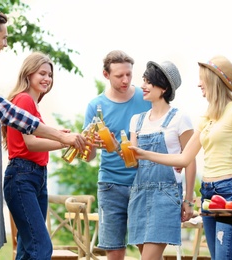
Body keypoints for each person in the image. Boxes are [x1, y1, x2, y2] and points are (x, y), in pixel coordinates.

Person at [0, 9, 87, 259]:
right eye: (4, 38)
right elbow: (8, 114)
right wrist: (61, 138)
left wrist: (59, 135)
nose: (5, 44)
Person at [129, 55, 232, 260]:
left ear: (214, 80)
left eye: (202, 79)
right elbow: (184, 158)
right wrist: (143, 153)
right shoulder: (206, 117)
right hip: (208, 193)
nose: (199, 84)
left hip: (230, 191)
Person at [83, 50, 151, 260]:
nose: (125, 80)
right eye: (119, 75)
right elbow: (88, 157)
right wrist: (93, 145)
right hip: (110, 184)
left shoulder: (145, 97)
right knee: (114, 249)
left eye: (129, 74)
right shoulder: (96, 106)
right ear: (106, 74)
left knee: (146, 246)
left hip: (143, 182)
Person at [127, 61, 197, 260]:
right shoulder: (136, 120)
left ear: (164, 88)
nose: (143, 85)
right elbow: (133, 161)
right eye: (144, 80)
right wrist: (114, 146)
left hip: (165, 196)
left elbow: (190, 160)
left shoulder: (180, 119)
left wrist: (189, 200)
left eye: (149, 82)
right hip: (139, 194)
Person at [1, 51, 66, 259]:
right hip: (23, 177)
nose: (47, 78)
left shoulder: (32, 104)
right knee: (41, 247)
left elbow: (34, 140)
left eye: (50, 75)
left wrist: (62, 138)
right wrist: (64, 141)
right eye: (42, 73)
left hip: (36, 178)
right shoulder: (24, 100)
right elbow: (31, 143)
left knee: (27, 249)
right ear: (28, 74)